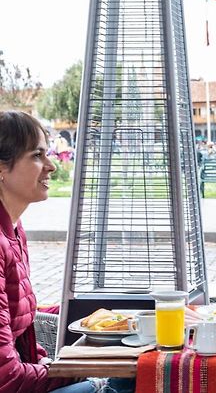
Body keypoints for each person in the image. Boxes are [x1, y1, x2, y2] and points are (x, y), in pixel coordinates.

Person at [0, 111, 132, 393]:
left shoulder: (12, 229)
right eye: (37, 155)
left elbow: (19, 338)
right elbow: (6, 377)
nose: (51, 166)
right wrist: (77, 372)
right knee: (128, 384)